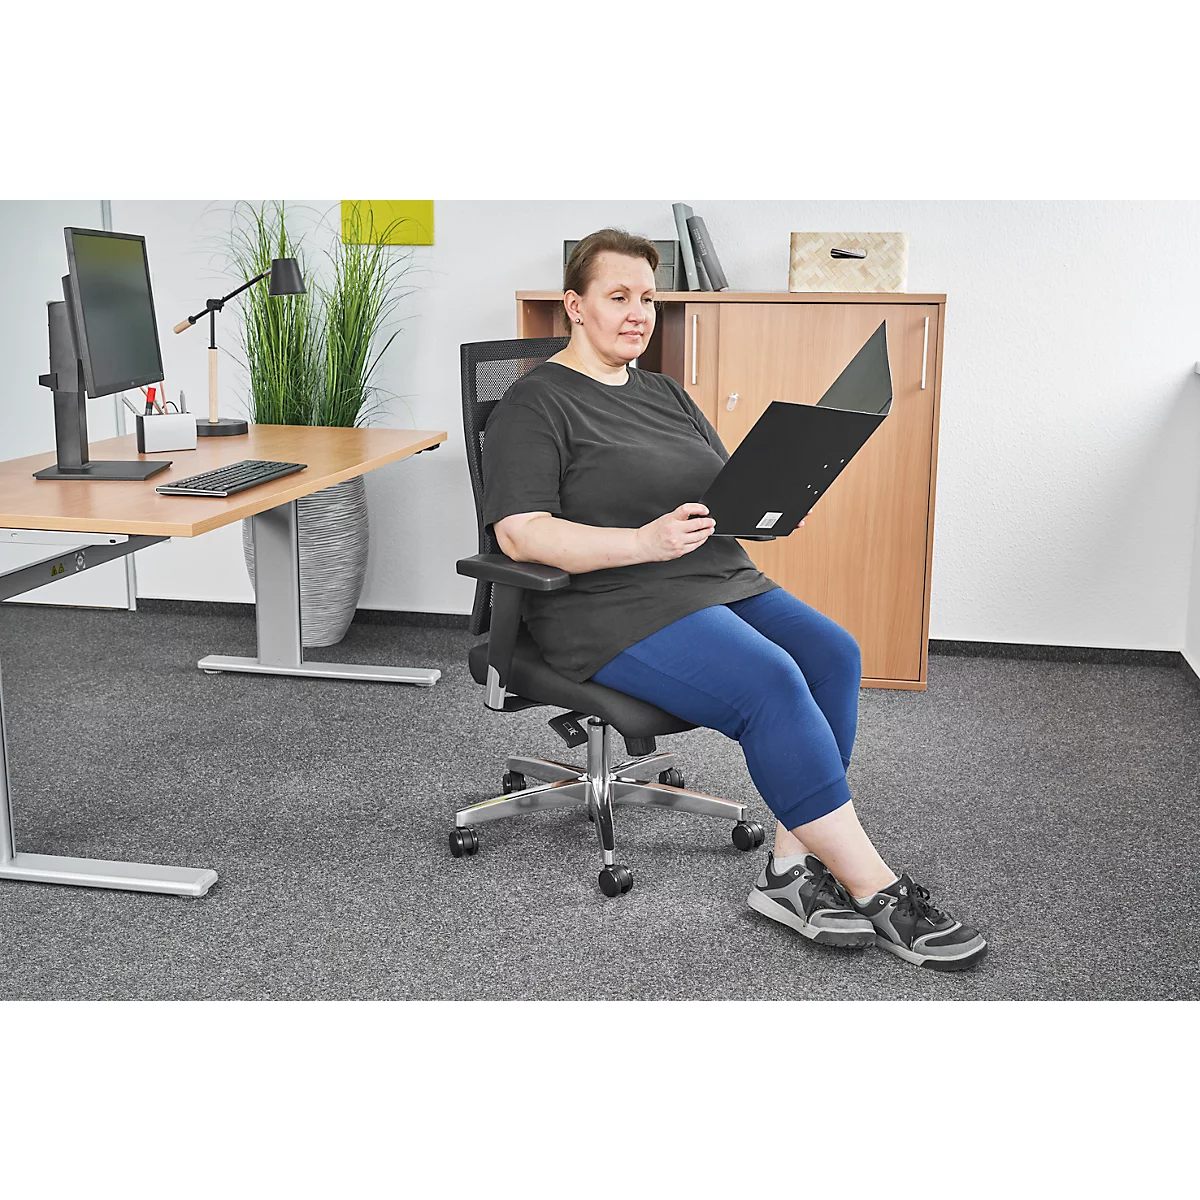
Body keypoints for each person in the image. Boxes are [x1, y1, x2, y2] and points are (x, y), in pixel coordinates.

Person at [481, 228, 985, 971]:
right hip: (610, 599)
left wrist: (773, 502)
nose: (637, 313)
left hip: (714, 574)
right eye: (618, 297)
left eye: (647, 298)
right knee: (769, 680)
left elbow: (720, 489)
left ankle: (789, 872)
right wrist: (642, 543)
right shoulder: (535, 401)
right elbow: (522, 535)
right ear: (574, 306)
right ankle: (875, 886)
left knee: (831, 653)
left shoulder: (662, 393)